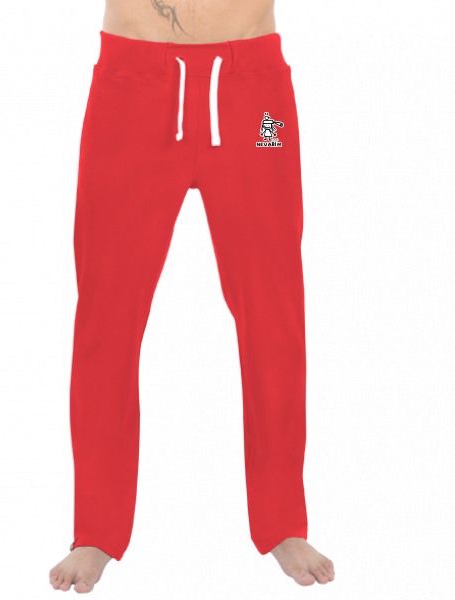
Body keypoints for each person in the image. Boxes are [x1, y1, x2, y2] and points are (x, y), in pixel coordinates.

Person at [49, 0, 335, 593]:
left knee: (274, 312)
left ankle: (283, 521)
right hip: (131, 85)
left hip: (253, 93)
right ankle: (96, 528)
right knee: (107, 315)